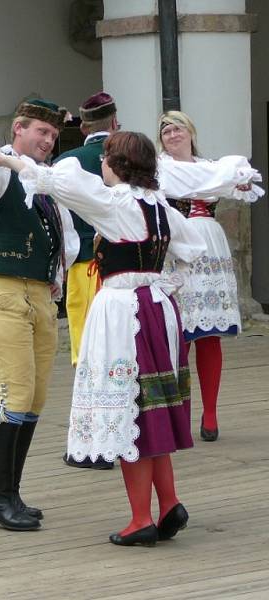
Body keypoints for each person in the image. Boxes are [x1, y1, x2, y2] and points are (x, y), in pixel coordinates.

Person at [0, 130, 260, 546]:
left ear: (118, 165)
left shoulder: (115, 204)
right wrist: (165, 285)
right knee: (151, 407)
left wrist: (1, 157)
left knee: (132, 411)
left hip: (124, 312)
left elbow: (51, 180)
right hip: (158, 309)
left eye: (105, 160)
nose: (100, 165)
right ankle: (169, 503)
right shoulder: (162, 208)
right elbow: (192, 249)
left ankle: (140, 519)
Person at [0, 99, 78, 532]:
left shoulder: (42, 185)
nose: (47, 141)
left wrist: (55, 278)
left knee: (37, 396)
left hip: (39, 296)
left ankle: (10, 492)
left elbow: (65, 243)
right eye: (40, 132)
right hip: (4, 292)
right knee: (16, 392)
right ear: (18, 130)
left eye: (52, 135)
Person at [157, 110, 265, 442]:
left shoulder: (212, 167)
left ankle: (211, 412)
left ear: (191, 132)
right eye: (166, 131)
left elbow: (241, 187)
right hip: (175, 246)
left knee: (209, 333)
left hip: (209, 247)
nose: (173, 135)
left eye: (178, 129)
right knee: (177, 333)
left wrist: (240, 180)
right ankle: (178, 412)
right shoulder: (159, 169)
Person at [55, 91, 120, 470]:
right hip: (126, 267)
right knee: (119, 351)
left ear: (82, 125)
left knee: (86, 352)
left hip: (83, 265)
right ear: (114, 122)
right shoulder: (130, 158)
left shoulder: (67, 161)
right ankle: (124, 432)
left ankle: (91, 442)